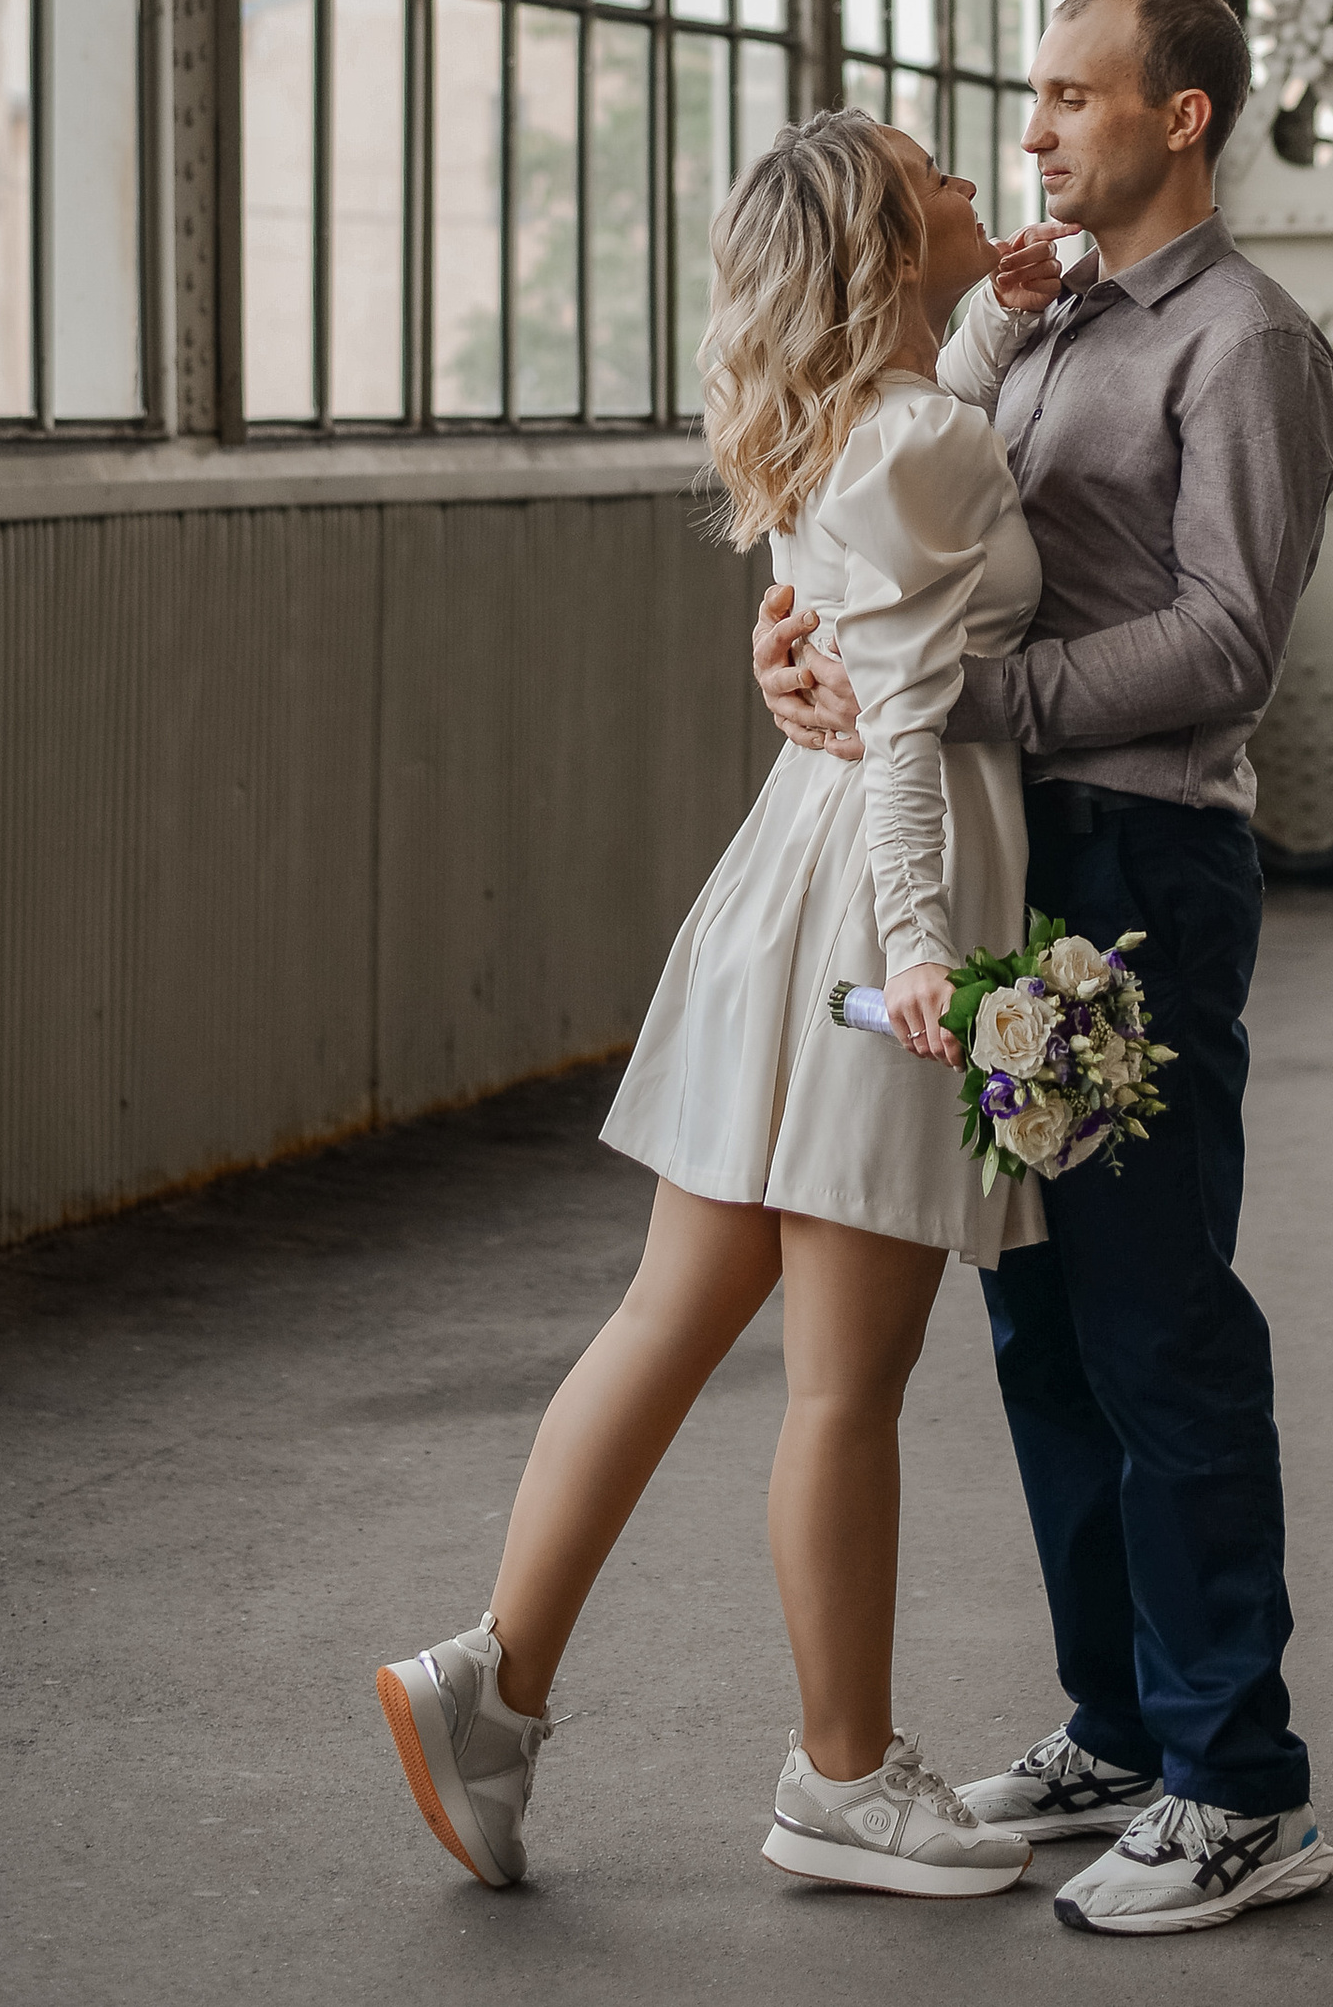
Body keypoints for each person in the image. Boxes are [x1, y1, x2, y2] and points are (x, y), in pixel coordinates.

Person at [375, 111, 1065, 1903]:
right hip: (877, 908)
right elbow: (911, 720)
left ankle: (488, 1684)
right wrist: (926, 953)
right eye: (937, 174)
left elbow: (914, 471)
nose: (975, 175)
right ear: (879, 235)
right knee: (847, 1376)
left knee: (668, 1314)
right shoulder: (918, 439)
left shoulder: (869, 420)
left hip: (792, 882)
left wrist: (993, 307)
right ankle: (843, 1776)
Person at [758, 0, 1333, 1938]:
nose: (1031, 131)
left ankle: (1237, 1786)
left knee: (1158, 1315)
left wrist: (962, 699)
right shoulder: (1033, 324)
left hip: (1139, 865)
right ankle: (1117, 1722)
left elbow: (1221, 639)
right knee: (1037, 1327)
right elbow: (894, 571)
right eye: (1024, 100)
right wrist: (813, 660)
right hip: (1023, 871)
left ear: (1179, 121)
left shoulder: (1246, 346)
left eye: (1072, 100)